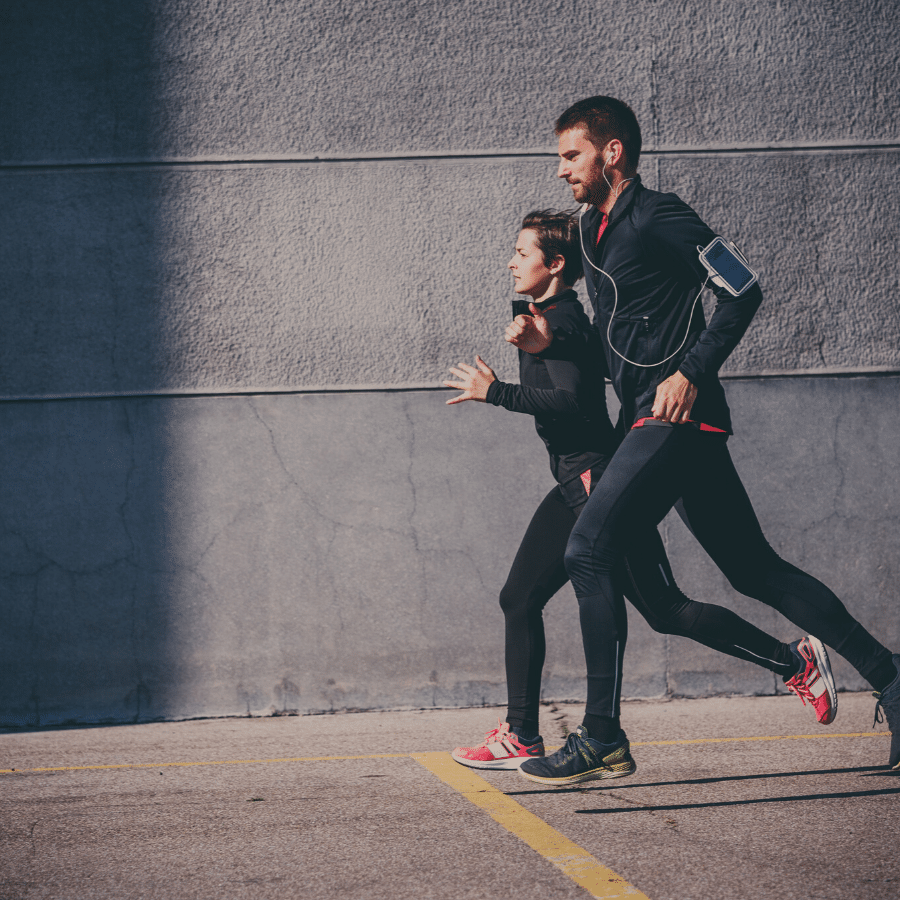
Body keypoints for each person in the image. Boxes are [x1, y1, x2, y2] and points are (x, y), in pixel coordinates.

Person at [504, 98, 900, 785]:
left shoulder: (661, 215)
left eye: (572, 154)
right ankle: (892, 682)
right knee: (754, 570)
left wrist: (692, 368)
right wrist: (546, 340)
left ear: (613, 152)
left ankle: (601, 735)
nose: (562, 168)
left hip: (678, 418)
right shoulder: (594, 232)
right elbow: (624, 334)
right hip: (648, 425)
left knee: (588, 549)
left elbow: (741, 290)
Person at [444, 210, 837, 773]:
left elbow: (575, 403)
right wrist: (529, 338)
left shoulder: (566, 320)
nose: (510, 261)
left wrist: (498, 391)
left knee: (667, 608)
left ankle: (792, 662)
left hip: (597, 482)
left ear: (556, 264)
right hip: (575, 482)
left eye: (522, 252)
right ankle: (523, 734)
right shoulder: (545, 318)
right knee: (520, 597)